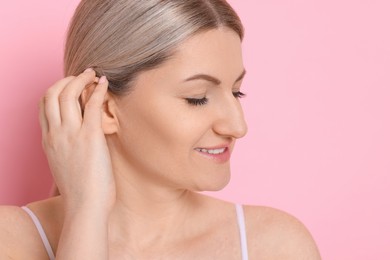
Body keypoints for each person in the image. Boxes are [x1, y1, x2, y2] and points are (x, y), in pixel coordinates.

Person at [0, 0, 321, 259]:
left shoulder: (275, 246)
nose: (238, 126)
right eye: (197, 98)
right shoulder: (11, 241)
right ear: (105, 107)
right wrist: (86, 211)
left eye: (237, 92)